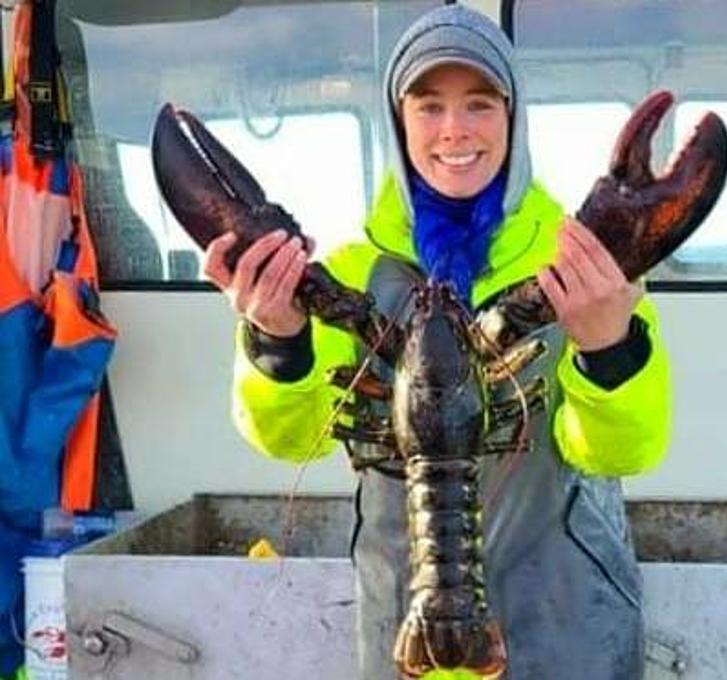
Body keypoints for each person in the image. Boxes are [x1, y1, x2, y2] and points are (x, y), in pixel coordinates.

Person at [203, 5, 670, 679]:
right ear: (398, 123)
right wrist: (277, 341)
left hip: (563, 630)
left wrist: (607, 347)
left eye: (480, 104)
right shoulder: (352, 272)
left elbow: (626, 450)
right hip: (409, 634)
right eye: (428, 106)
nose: (455, 129)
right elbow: (293, 439)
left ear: (514, 118)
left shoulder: (586, 266)